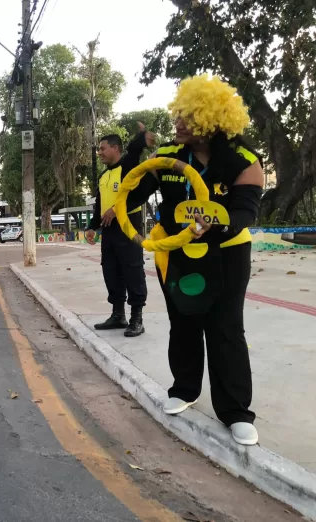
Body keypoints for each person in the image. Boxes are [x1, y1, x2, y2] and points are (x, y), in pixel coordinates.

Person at [122, 75, 264, 446]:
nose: (178, 122)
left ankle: (235, 411)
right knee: (182, 320)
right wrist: (139, 152)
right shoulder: (169, 158)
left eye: (188, 116)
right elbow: (131, 193)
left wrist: (214, 227)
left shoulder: (244, 160)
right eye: (178, 114)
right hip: (176, 253)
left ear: (211, 120)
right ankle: (185, 390)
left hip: (228, 252)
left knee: (225, 326)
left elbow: (245, 213)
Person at [85, 123, 156, 337]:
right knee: (111, 272)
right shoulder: (103, 177)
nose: (100, 153)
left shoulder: (128, 168)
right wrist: (91, 227)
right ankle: (118, 314)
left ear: (115, 148)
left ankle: (137, 318)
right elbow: (99, 207)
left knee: (133, 271)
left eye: (103, 148)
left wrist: (142, 136)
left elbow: (134, 155)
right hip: (109, 233)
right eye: (99, 149)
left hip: (129, 228)